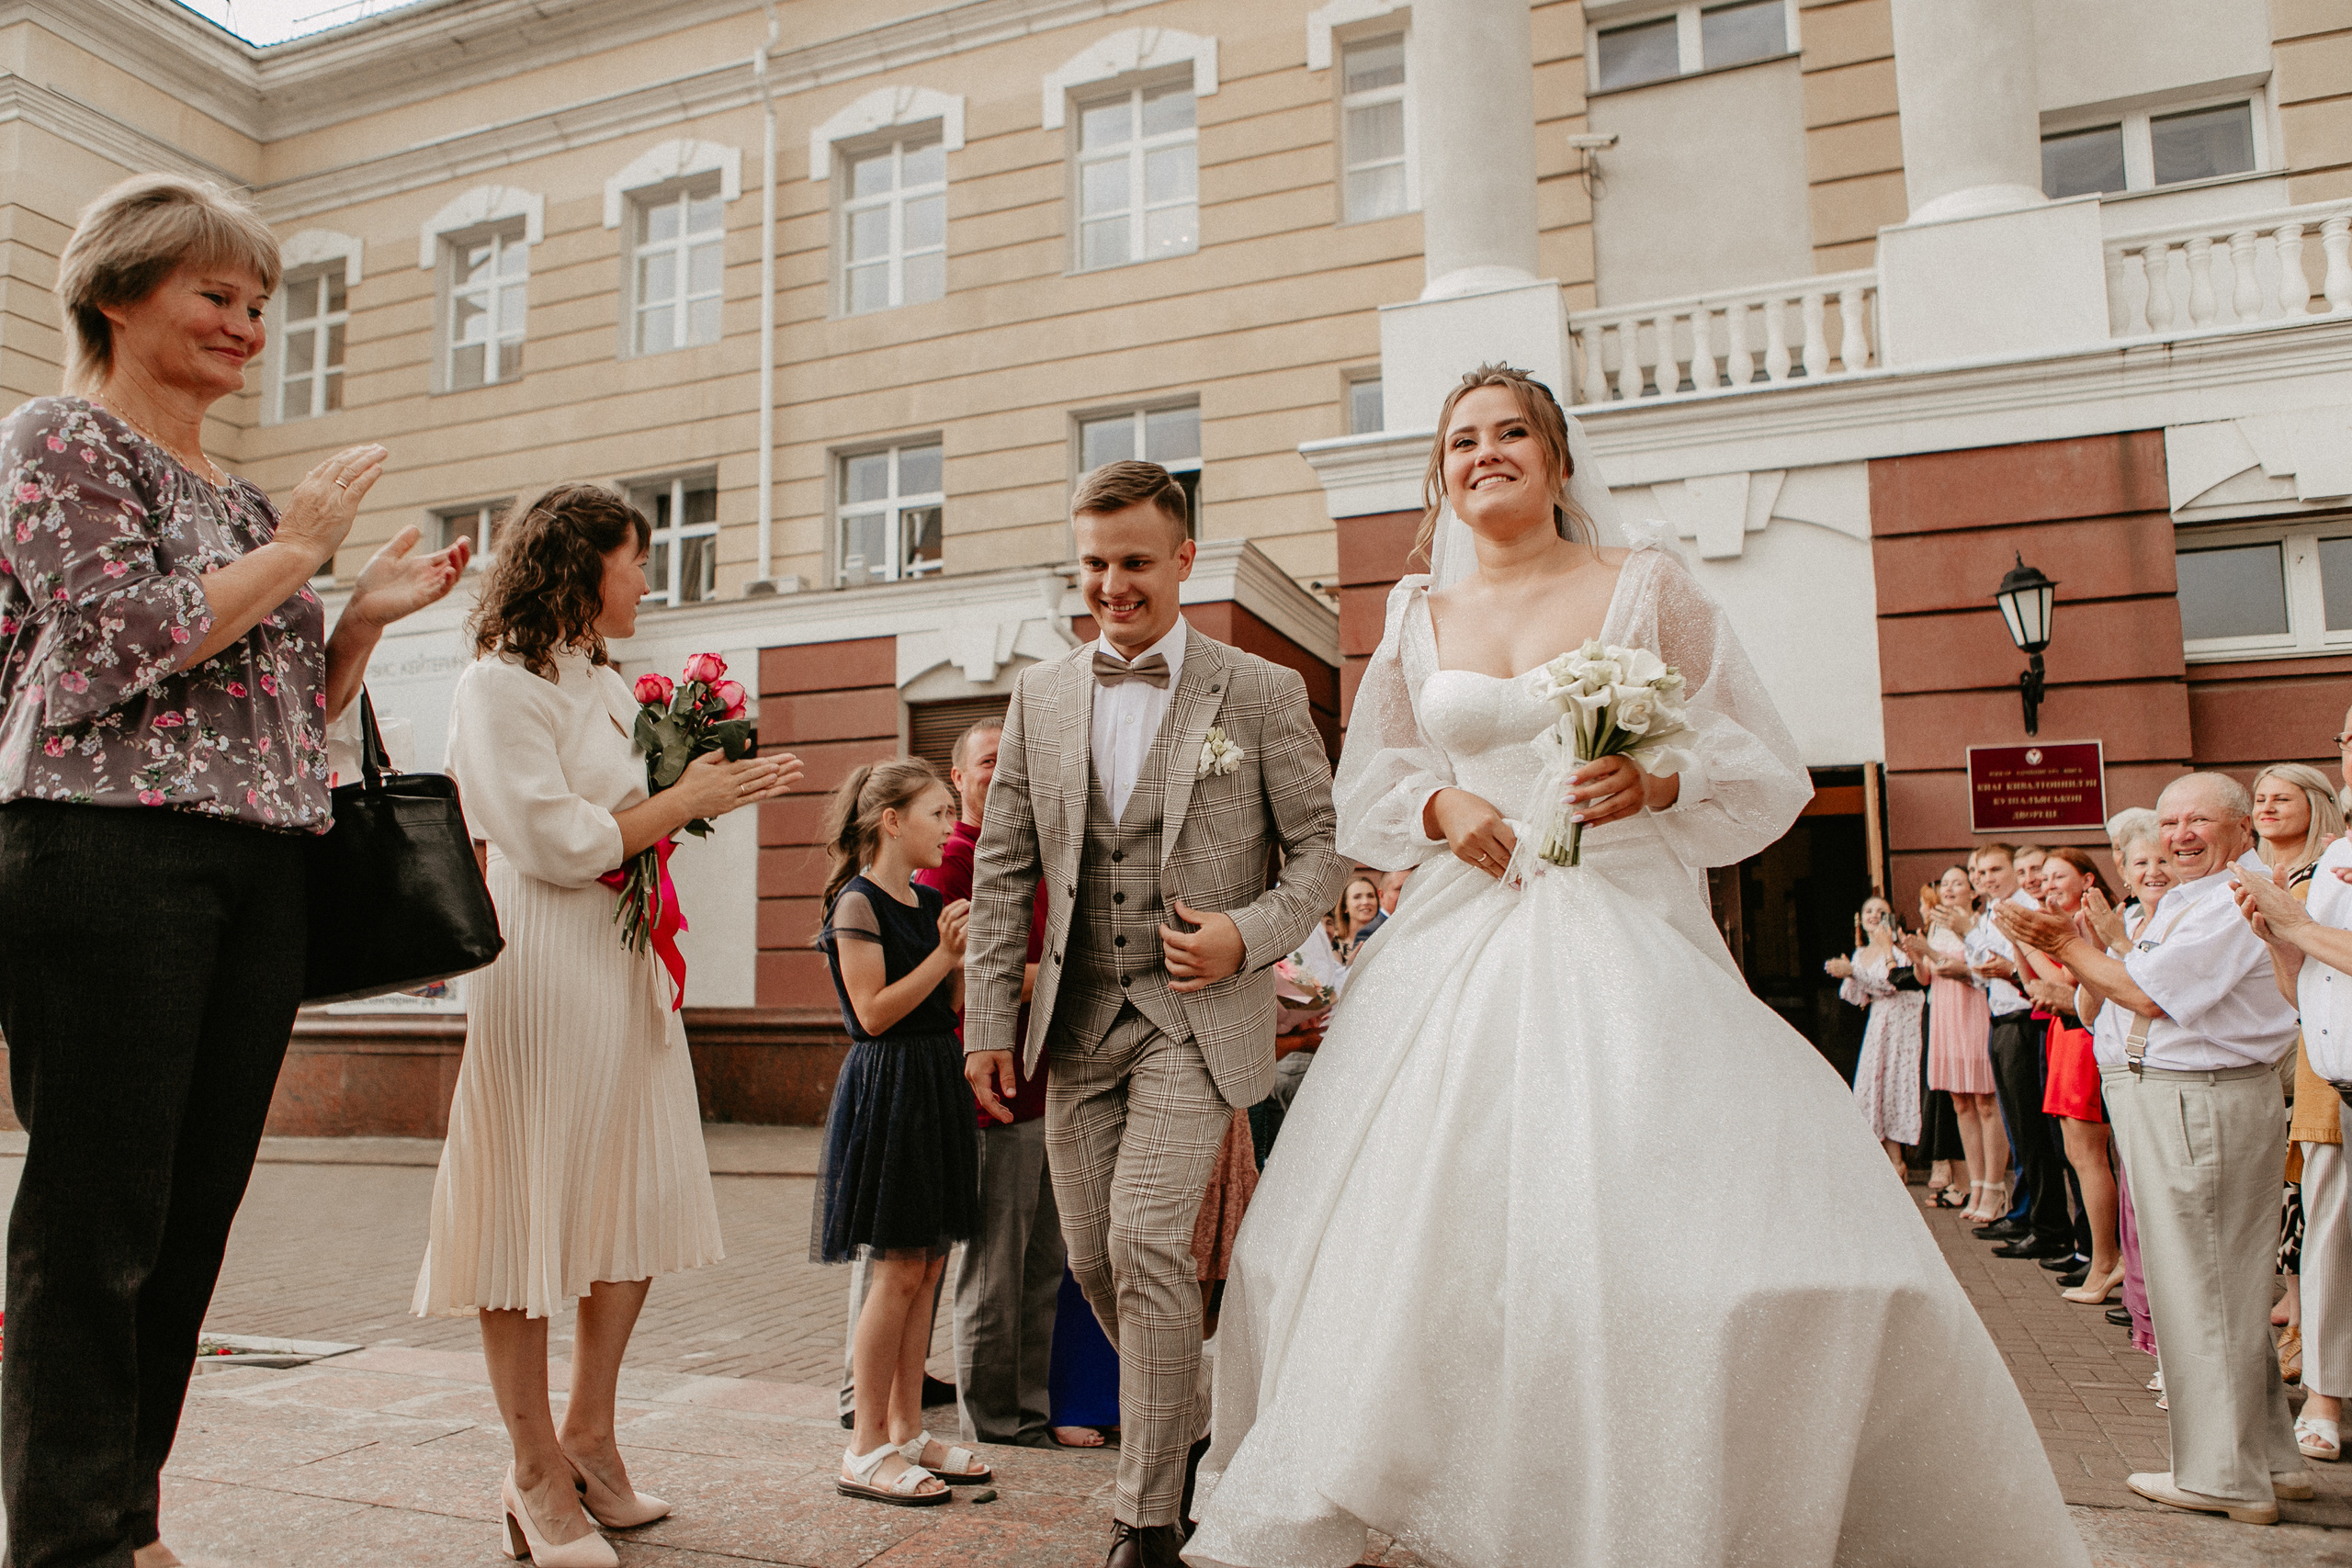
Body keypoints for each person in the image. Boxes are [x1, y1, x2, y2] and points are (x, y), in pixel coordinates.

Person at [1187, 365, 2086, 1568]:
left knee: (1645, 1216)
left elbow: (1760, 754)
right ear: (1439, 472)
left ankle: (1643, 1482)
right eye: (1463, 440)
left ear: (1560, 462)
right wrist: (1447, 802)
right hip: (1462, 935)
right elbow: (1374, 782)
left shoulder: (1642, 582)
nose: (1486, 452)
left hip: (1619, 919)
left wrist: (1663, 777)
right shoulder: (1414, 612)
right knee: (1411, 1234)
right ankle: (1443, 1473)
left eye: (1514, 433)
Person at [0, 173, 469, 1568]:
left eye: (260, 302)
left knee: (191, 1209)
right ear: (118, 291)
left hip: (258, 862)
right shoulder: (56, 440)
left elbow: (272, 713)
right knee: (99, 1207)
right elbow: (104, 653)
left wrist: (361, 617)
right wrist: (299, 552)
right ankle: (65, 1536)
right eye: (217, 293)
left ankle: (126, 1512)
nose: (249, 323)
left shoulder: (247, 491)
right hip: (102, 851)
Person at [960, 458, 1344, 1568]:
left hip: (1193, 1017)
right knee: (1092, 1261)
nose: (1111, 584)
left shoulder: (1258, 690)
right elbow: (1003, 871)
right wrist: (991, 1019)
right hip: (1077, 1023)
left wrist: (1248, 933)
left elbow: (1321, 854)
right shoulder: (1038, 695)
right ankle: (1195, 1409)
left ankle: (1146, 1512)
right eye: (1092, 563)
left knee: (1146, 1242)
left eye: (1133, 561)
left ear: (1183, 559)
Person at [412, 486, 797, 1565]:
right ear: (580, 566)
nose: (646, 579)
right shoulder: (499, 684)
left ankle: (590, 1435)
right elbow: (553, 838)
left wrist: (705, 792)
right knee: (528, 1210)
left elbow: (630, 820)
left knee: (632, 1194)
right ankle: (532, 1471)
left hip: (625, 959)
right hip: (540, 957)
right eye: (635, 559)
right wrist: (678, 804)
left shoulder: (608, 681)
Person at [2004, 773, 2309, 1525]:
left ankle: (2224, 1477)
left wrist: (2069, 943)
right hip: (2178, 1097)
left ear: (2242, 827)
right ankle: (2268, 1457)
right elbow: (2120, 984)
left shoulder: (2237, 895)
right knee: (2218, 1288)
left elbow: (2146, 994)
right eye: (2170, 822)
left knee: (2199, 1288)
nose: (2178, 835)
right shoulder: (2190, 899)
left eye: (2198, 820)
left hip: (2195, 1099)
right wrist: (2098, 947)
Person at [812, 757, 990, 1506]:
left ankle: (909, 1431)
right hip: (888, 1085)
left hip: (933, 1076)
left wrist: (957, 956)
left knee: (927, 1266)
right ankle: (865, 1447)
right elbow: (874, 1012)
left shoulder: (922, 900)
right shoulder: (857, 903)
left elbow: (940, 1007)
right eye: (937, 813)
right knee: (895, 1270)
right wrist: (946, 957)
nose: (949, 827)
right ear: (891, 821)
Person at [924, 718, 1062, 1450]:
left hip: (1054, 1085)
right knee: (993, 1272)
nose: (1002, 773)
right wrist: (1056, 982)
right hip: (995, 1092)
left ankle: (1027, 1413)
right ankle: (993, 1423)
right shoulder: (951, 861)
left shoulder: (1033, 858)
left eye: (1014, 760)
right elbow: (961, 975)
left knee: (1042, 1271)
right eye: (987, 762)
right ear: (959, 777)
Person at [2237, 750, 2352, 1468]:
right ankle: (2327, 1394)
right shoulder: (2337, 859)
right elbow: (2307, 994)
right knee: (2330, 1237)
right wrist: (2280, 941)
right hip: (2335, 1074)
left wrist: (2297, 927)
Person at [2015, 847, 2120, 1302]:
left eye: (2060, 876)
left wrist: (2030, 944)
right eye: (2046, 877)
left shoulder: (2091, 923)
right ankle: (2095, 1255)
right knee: (2075, 1156)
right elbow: (2035, 986)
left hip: (2083, 1037)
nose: (2049, 883)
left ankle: (2104, 1260)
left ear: (2088, 880)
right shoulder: (2058, 923)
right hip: (2062, 1034)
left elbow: (2070, 984)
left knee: (2090, 1157)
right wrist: (2022, 946)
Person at [1967, 843, 2073, 1260]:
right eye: (1981, 871)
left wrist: (1969, 934)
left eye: (1996, 869)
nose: (1987, 878)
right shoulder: (1994, 910)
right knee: (2021, 1130)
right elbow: (1981, 968)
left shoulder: (2025, 908)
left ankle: (2048, 1225)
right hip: (2001, 1018)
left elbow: (2017, 964)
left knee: (2034, 1131)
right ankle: (2033, 1217)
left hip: (2027, 1021)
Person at [1905, 866, 2008, 1222]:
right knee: (1960, 1102)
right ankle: (1975, 1184)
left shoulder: (1979, 923)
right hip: (1945, 1016)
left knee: (1985, 1101)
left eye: (1957, 883)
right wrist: (1919, 954)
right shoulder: (1936, 926)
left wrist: (1933, 954)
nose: (1948, 888)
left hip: (1973, 1012)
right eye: (1944, 883)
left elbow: (1975, 968)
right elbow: (1925, 977)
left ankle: (1994, 1187)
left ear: (1973, 892)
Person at [1828, 896, 1923, 1161]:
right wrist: (1845, 972)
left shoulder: (1898, 950)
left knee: (1898, 1085)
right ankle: (1888, 1159)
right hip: (1878, 1023)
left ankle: (1906, 1159)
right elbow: (1856, 996)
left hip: (1902, 1024)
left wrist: (1854, 972)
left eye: (1881, 912)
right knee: (1875, 1086)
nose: (1874, 915)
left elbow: (1893, 984)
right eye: (1868, 910)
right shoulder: (1861, 953)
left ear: (1891, 918)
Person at [1329, 873, 1382, 960]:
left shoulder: (1385, 939)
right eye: (1357, 897)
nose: (1365, 902)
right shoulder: (1331, 943)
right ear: (1345, 906)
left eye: (1370, 896)